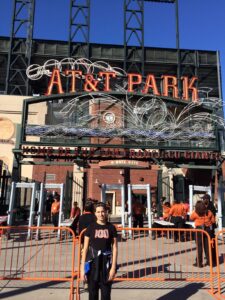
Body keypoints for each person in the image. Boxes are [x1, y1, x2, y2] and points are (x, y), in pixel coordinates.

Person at [80, 202, 118, 300]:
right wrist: (82, 268)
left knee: (106, 294)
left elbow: (114, 248)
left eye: (103, 211)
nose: (101, 214)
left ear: (106, 212)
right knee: (92, 294)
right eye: (98, 212)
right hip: (92, 265)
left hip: (106, 266)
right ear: (95, 213)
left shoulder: (111, 228)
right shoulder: (90, 228)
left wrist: (113, 268)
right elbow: (85, 249)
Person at [190, 200, 216, 267]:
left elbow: (191, 218)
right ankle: (210, 262)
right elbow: (213, 221)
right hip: (207, 230)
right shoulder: (209, 212)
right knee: (208, 247)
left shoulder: (195, 213)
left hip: (199, 230)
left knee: (199, 247)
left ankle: (199, 263)